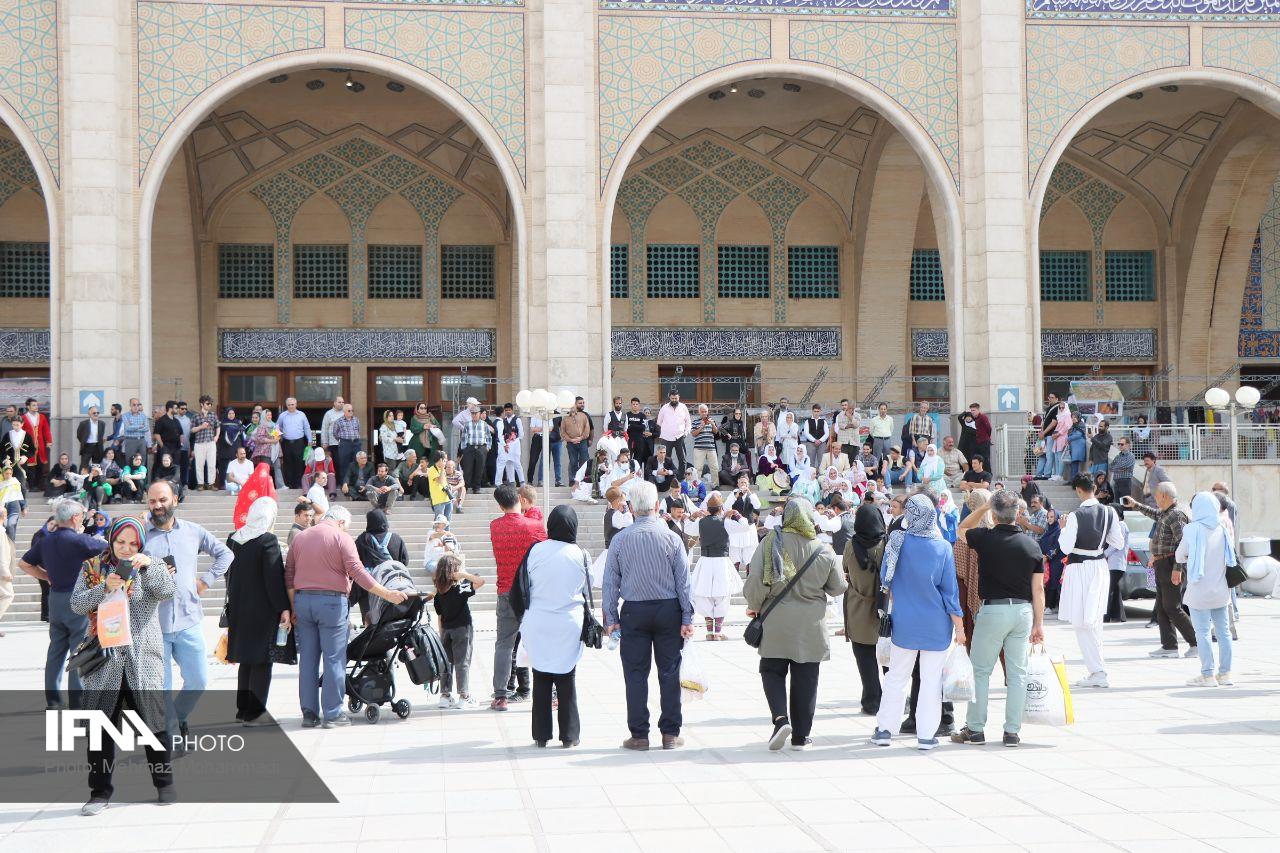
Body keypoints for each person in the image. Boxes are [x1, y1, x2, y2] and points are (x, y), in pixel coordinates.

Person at [71, 516, 176, 815]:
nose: (126, 548)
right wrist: (103, 588)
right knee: (100, 728)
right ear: (111, 540)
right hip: (105, 662)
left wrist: (149, 566)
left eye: (132, 543)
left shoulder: (152, 565)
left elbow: (167, 592)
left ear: (140, 543)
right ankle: (99, 793)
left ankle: (164, 784)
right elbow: (77, 604)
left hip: (143, 659)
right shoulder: (93, 567)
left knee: (154, 724)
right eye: (120, 542)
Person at [286, 504, 407, 726]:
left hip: (303, 601)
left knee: (308, 661)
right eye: (347, 526)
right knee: (334, 659)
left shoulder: (301, 538)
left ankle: (309, 714)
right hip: (332, 603)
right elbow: (358, 572)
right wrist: (387, 594)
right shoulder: (342, 538)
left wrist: (294, 606)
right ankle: (332, 714)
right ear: (341, 522)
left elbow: (289, 575)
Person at [744, 498, 847, 751]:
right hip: (811, 624)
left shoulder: (771, 542)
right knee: (806, 679)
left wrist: (754, 605)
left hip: (776, 621)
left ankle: (781, 719)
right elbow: (837, 587)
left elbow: (756, 580)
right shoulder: (823, 550)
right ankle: (801, 737)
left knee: (771, 670)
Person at [602, 480, 695, 750]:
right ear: (657, 505)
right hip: (668, 609)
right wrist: (687, 617)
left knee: (635, 673)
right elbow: (684, 583)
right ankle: (670, 733)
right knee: (669, 671)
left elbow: (610, 583)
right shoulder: (671, 538)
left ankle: (639, 734)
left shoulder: (620, 540)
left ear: (631, 507)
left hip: (634, 611)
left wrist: (611, 618)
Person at [951, 492, 1046, 747]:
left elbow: (962, 528)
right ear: (1017, 513)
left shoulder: (985, 537)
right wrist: (1039, 624)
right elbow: (1038, 589)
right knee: (1017, 674)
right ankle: (1012, 731)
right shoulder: (1031, 545)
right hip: (1022, 611)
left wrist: (984, 506)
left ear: (994, 514)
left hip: (993, 609)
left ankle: (975, 728)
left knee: (981, 671)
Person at [871, 493, 963, 751]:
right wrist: (960, 627)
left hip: (904, 623)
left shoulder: (897, 541)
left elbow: (886, 580)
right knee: (931, 681)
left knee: (896, 677)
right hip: (937, 625)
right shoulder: (943, 547)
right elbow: (950, 593)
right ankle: (925, 735)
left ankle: (885, 730)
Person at [144, 480, 232, 738]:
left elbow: (226, 554)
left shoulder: (193, 531)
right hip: (154, 625)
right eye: (152, 501)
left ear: (175, 500)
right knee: (162, 687)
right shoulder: (141, 535)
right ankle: (171, 740)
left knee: (198, 680)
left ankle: (179, 717)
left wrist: (205, 582)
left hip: (188, 620)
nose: (157, 506)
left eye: (162, 500)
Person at [18, 498, 108, 708]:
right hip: (77, 599)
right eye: (82, 516)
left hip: (55, 598)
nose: (83, 520)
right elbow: (109, 549)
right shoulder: (81, 541)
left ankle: (53, 701)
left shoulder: (45, 541)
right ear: (75, 517)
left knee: (56, 651)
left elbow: (24, 564)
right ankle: (77, 702)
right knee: (79, 650)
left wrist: (46, 576)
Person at [520, 505, 591, 748]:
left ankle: (541, 735)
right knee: (566, 677)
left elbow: (522, 585)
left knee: (540, 676)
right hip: (568, 622)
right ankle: (569, 736)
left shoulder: (535, 550)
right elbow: (587, 586)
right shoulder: (580, 554)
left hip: (538, 620)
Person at [224, 497, 290, 725]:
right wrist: (283, 607)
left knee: (246, 660)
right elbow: (273, 579)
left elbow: (228, 573)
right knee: (262, 660)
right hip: (262, 611)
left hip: (239, 609)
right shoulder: (267, 540)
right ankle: (255, 713)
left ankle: (242, 710)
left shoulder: (233, 539)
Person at [1060, 475, 1125, 688]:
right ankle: (1098, 670)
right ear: (1094, 488)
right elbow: (1118, 542)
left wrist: (1063, 528)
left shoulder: (1075, 515)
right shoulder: (1109, 512)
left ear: (1078, 490)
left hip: (1080, 568)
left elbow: (1065, 548)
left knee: (1082, 622)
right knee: (1094, 620)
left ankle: (1097, 671)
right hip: (1099, 566)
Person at [489, 482, 547, 710]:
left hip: (505, 591)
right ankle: (551, 693)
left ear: (500, 506)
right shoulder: (533, 526)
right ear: (519, 499)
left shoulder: (495, 526)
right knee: (540, 642)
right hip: (531, 592)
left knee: (504, 644)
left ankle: (501, 695)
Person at [1123, 483, 1197, 659]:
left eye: (1156, 495)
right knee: (1162, 608)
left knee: (1172, 607)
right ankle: (1169, 646)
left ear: (1164, 496)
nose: (1155, 498)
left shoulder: (1177, 515)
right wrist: (1135, 505)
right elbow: (1153, 513)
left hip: (1171, 564)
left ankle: (1196, 643)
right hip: (1161, 564)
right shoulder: (1166, 513)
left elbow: (1183, 544)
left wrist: (1178, 568)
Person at [1178, 492, 1237, 687]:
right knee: (1224, 632)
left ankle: (1208, 675)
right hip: (1221, 590)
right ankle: (1225, 674)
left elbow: (1179, 555)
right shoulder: (1222, 528)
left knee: (1202, 632)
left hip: (1199, 591)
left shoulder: (1192, 529)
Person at [843, 500, 887, 716]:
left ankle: (871, 700)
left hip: (858, 607)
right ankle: (892, 698)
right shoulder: (887, 544)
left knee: (864, 657)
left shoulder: (851, 545)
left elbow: (845, 568)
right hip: (885, 608)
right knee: (889, 658)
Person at [431, 554, 484, 709]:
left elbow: (440, 616)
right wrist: (463, 574)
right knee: (462, 662)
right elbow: (480, 581)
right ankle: (464, 696)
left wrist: (441, 634)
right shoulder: (460, 588)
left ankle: (445, 696)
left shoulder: (439, 592)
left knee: (446, 663)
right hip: (462, 629)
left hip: (446, 630)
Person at [690, 494, 744, 640]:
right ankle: (718, 632)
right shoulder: (726, 522)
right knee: (722, 595)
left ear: (708, 509)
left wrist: (694, 516)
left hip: (705, 561)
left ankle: (709, 632)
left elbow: (688, 528)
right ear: (721, 509)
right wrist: (736, 514)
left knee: (705, 594)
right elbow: (745, 526)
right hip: (721, 561)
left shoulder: (701, 522)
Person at [458, 407, 494, 495]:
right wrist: (464, 448)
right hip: (469, 448)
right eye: (472, 413)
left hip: (481, 448)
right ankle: (465, 487)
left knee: (480, 468)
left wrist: (488, 447)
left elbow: (489, 436)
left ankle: (476, 488)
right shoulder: (467, 424)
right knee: (467, 468)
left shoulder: (484, 424)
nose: (474, 415)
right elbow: (463, 437)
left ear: (479, 414)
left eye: (476, 413)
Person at [276, 398, 311, 489]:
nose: (291, 406)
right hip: (286, 443)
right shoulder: (282, 415)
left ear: (296, 404)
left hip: (299, 442)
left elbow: (307, 428)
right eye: (289, 405)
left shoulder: (302, 414)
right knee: (287, 464)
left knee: (299, 463)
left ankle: (298, 484)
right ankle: (289, 484)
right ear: (286, 405)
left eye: (292, 404)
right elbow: (276, 427)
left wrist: (310, 441)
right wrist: (277, 440)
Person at [654, 389, 691, 475]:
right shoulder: (664, 408)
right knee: (665, 459)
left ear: (679, 397)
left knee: (682, 459)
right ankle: (667, 477)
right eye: (672, 398)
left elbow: (688, 422)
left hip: (680, 437)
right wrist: (666, 430)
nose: (674, 400)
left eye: (676, 398)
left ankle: (681, 478)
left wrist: (685, 433)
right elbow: (659, 422)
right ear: (669, 397)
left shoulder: (683, 407)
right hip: (666, 438)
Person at [20, 398, 52, 489]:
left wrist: (49, 441)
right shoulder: (23, 418)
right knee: (30, 467)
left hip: (40, 446)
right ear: (28, 407)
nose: (36, 407)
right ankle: (32, 485)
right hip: (28, 446)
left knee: (40, 466)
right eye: (33, 405)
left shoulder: (42, 417)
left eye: (36, 405)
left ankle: (40, 485)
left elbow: (46, 430)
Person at [562, 396, 594, 482]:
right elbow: (563, 431)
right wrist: (571, 440)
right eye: (580, 403)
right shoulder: (565, 417)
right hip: (571, 443)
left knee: (584, 461)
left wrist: (583, 438)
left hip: (583, 442)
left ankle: (583, 480)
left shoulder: (584, 415)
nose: (582, 404)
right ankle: (573, 480)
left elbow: (589, 428)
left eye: (583, 403)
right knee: (573, 462)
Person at [689, 403, 719, 483]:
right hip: (699, 448)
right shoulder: (695, 422)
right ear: (699, 412)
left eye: (705, 411)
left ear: (707, 412)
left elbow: (716, 432)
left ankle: (715, 485)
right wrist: (701, 427)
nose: (704, 413)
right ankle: (696, 486)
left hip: (711, 448)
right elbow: (693, 434)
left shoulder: (712, 420)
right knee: (698, 469)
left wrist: (713, 424)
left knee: (715, 468)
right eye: (702, 412)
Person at [216, 408, 245, 488]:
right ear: (226, 414)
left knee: (236, 467)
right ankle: (223, 485)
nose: (231, 415)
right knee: (223, 467)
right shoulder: (221, 423)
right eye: (229, 413)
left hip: (235, 448)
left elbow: (242, 437)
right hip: (224, 448)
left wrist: (243, 447)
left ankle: (237, 484)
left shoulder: (238, 423)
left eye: (233, 413)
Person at [77, 406, 107, 472]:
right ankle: (81, 478)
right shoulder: (83, 424)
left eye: (97, 413)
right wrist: (84, 442)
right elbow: (79, 435)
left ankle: (95, 478)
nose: (96, 414)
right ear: (89, 414)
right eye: (94, 413)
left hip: (97, 447)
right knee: (83, 466)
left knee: (96, 467)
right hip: (87, 447)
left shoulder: (102, 424)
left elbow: (101, 435)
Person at [1109, 437, 1136, 501]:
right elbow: (1110, 467)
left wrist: (1117, 467)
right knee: (1117, 503)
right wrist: (1119, 468)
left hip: (1125, 482)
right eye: (1119, 444)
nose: (1120, 446)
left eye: (1122, 444)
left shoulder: (1130, 456)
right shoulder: (1118, 456)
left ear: (1127, 445)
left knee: (1125, 503)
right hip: (1116, 482)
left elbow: (1123, 466)